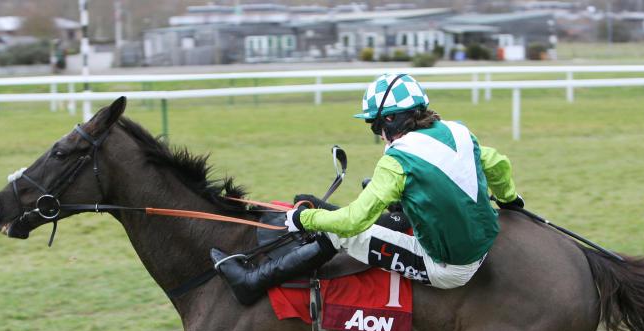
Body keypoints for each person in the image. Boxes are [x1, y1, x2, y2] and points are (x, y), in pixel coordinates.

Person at [211, 73, 523, 305]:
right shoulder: (460, 131)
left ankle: (252, 283)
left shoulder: (397, 160)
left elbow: (353, 222)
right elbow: (498, 164)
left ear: (392, 120)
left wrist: (302, 219)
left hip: (448, 270)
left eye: (376, 126)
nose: (379, 134)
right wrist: (510, 200)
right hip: (484, 243)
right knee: (381, 194)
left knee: (339, 232)